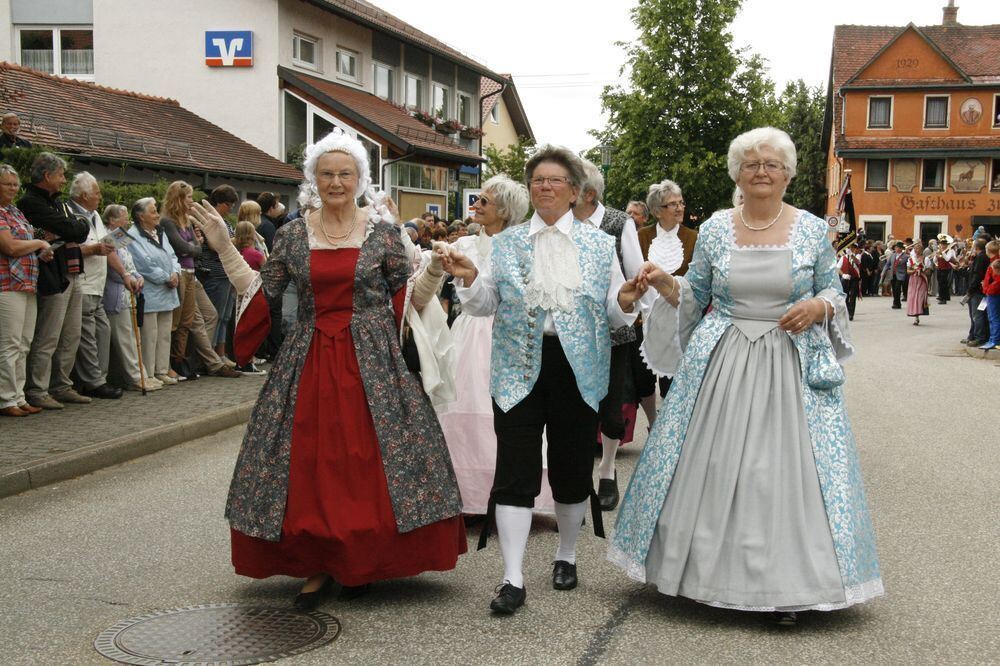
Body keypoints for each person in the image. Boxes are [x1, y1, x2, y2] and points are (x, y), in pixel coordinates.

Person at [610, 127, 883, 626]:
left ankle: (787, 589)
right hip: (725, 359)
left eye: (771, 164)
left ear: (788, 175)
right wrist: (664, 280)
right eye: (751, 163)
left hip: (789, 359)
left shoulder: (809, 230)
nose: (761, 171)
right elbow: (695, 290)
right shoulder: (716, 227)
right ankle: (701, 576)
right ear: (738, 173)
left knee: (779, 470)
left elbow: (834, 290)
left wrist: (819, 305)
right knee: (712, 463)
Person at [189, 129, 466, 609]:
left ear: (360, 179)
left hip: (375, 360)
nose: (336, 181)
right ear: (313, 179)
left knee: (366, 458)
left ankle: (360, 559)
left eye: (345, 173)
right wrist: (223, 246)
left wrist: (437, 270)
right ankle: (318, 563)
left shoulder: (383, 234)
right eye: (327, 173)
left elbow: (408, 303)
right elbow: (263, 292)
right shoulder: (295, 234)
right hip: (311, 355)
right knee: (310, 460)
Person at [439, 144, 644, 615]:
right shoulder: (509, 243)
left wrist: (629, 299)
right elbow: (487, 301)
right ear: (530, 190)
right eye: (538, 181)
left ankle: (567, 554)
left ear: (575, 192)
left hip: (578, 370)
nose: (545, 187)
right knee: (515, 470)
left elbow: (613, 309)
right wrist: (470, 279)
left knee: (572, 471)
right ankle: (511, 577)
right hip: (517, 367)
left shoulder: (598, 245)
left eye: (555, 181)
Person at [436, 175, 550, 516]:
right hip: (469, 331)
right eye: (478, 200)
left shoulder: (521, 246)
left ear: (504, 210)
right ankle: (466, 496)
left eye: (485, 201)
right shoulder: (466, 245)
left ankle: (511, 495)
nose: (477, 206)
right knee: (461, 402)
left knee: (506, 413)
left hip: (505, 333)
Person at [573, 159, 644, 512]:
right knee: (574, 406)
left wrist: (629, 307)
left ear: (587, 194)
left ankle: (607, 470)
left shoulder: (618, 222)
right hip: (570, 330)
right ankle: (575, 476)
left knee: (611, 408)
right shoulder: (564, 223)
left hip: (612, 329)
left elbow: (635, 273)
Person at [20, 153, 92, 410]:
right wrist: (73, 225)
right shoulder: (30, 202)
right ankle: (37, 389)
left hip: (71, 270)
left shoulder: (59, 203)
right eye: (61, 175)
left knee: (71, 334)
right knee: (48, 335)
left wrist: (74, 224)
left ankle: (61, 385)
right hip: (51, 276)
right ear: (48, 176)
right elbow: (74, 229)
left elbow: (79, 229)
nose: (64, 180)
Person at [635, 180, 699, 403]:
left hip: (679, 321)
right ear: (656, 211)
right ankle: (653, 425)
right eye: (672, 204)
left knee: (672, 386)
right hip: (645, 319)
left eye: (681, 202)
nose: (680, 208)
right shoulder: (642, 236)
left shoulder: (693, 238)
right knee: (642, 383)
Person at [67, 172, 122, 399]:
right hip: (84, 282)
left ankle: (99, 377)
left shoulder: (96, 215)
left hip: (98, 284)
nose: (100, 196)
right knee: (87, 335)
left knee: (102, 330)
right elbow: (68, 248)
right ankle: (94, 381)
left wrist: (124, 273)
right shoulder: (70, 214)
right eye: (97, 192)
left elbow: (104, 245)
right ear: (83, 195)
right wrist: (94, 249)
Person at [0, 164, 48, 416]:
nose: (12, 188)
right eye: (7, 183)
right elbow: (9, 246)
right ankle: (6, 399)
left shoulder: (14, 211)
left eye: (15, 184)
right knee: (9, 344)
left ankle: (18, 395)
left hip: (27, 283)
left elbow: (25, 241)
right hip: (7, 284)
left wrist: (41, 247)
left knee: (24, 343)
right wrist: (39, 243)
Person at [100, 204, 159, 392]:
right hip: (116, 293)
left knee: (133, 336)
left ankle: (140, 373)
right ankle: (135, 377)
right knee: (125, 336)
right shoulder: (110, 236)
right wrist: (130, 277)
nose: (127, 220)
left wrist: (137, 276)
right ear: (112, 220)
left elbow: (129, 262)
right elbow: (115, 266)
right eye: (123, 217)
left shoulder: (121, 235)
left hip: (129, 291)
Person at [127, 198, 181, 385]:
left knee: (164, 333)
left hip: (168, 291)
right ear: (141, 216)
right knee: (150, 335)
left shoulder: (160, 232)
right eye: (153, 212)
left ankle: (161, 370)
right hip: (150, 292)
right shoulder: (133, 236)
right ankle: (148, 374)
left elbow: (172, 255)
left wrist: (175, 272)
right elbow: (143, 264)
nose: (158, 215)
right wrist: (166, 277)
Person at [197, 185, 239, 362]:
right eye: (229, 205)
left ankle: (221, 353)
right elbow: (217, 246)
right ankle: (210, 355)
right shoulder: (209, 220)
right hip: (215, 273)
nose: (231, 209)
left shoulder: (226, 222)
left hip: (227, 273)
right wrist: (232, 242)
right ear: (220, 203)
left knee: (225, 316)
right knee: (215, 315)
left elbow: (229, 243)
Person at [963, 238, 991, 346]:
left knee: (977, 315)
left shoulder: (981, 257)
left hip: (977, 291)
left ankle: (979, 337)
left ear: (976, 246)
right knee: (978, 314)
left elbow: (977, 275)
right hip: (979, 290)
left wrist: (970, 290)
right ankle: (974, 335)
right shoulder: (981, 256)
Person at [980, 241, 1000, 350]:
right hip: (992, 292)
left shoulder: (995, 263)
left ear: (988, 250)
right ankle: (993, 339)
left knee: (994, 317)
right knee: (992, 317)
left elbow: (997, 280)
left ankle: (995, 340)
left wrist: (988, 288)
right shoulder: (993, 261)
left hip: (994, 293)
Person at [907, 241, 930, 325]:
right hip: (913, 280)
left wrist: (923, 269)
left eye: (918, 248)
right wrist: (914, 270)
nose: (917, 250)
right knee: (913, 297)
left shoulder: (925, 259)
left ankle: (918, 314)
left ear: (922, 250)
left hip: (921, 280)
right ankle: (915, 316)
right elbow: (908, 271)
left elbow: (928, 272)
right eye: (915, 248)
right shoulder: (911, 259)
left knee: (919, 297)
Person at [838, 245, 861, 321]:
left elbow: (857, 262)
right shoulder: (843, 257)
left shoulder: (857, 256)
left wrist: (851, 255)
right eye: (850, 248)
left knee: (852, 296)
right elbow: (837, 268)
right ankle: (846, 312)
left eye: (853, 248)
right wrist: (843, 275)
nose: (851, 249)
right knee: (845, 296)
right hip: (846, 278)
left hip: (854, 279)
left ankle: (851, 314)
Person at [884, 241, 907, 309]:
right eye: (895, 247)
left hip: (901, 275)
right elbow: (888, 264)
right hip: (893, 274)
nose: (895, 248)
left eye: (897, 247)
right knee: (894, 289)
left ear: (900, 248)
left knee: (897, 288)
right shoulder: (892, 255)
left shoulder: (905, 256)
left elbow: (907, 266)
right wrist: (884, 271)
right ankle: (897, 303)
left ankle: (896, 303)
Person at [935, 237, 957, 304]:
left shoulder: (949, 251)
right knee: (940, 283)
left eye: (944, 244)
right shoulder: (939, 251)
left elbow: (947, 259)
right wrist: (936, 256)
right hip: (939, 268)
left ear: (947, 245)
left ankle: (943, 299)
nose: (942, 246)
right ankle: (943, 296)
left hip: (946, 269)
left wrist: (943, 253)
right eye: (941, 244)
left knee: (943, 283)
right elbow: (935, 260)